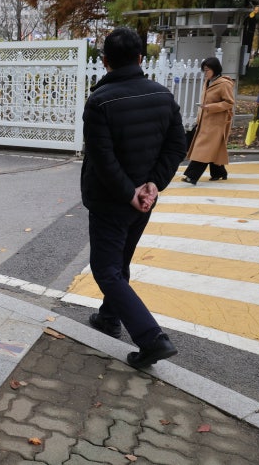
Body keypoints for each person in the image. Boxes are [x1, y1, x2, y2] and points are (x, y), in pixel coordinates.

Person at [81, 27, 187, 369]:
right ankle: (109, 317)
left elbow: (102, 158)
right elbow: (176, 146)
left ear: (104, 61)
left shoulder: (99, 102)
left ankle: (152, 338)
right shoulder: (163, 96)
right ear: (141, 58)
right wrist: (152, 186)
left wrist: (130, 193)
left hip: (112, 200)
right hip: (144, 200)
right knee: (120, 260)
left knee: (106, 269)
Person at [181, 57, 235, 184]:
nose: (205, 73)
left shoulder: (224, 84)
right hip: (206, 121)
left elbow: (229, 102)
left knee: (203, 149)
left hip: (217, 123)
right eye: (204, 70)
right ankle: (219, 173)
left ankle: (191, 176)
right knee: (212, 149)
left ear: (215, 69)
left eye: (207, 70)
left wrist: (210, 107)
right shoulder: (208, 81)